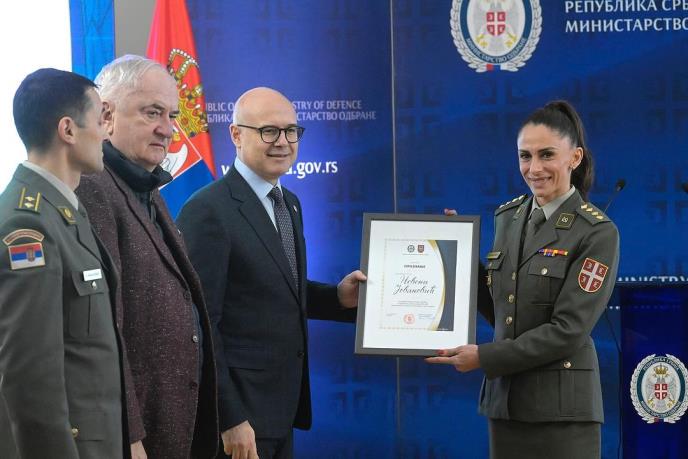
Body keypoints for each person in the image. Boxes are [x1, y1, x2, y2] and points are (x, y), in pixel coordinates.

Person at [176, 87, 366, 459]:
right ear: (236, 135)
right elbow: (199, 323)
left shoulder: (288, 202)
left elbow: (278, 288)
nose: (283, 142)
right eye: (269, 131)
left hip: (280, 410)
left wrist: (337, 298)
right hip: (238, 421)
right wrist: (229, 417)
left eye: (291, 131)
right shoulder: (208, 210)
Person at [427, 100, 620, 459]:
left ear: (575, 158)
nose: (534, 168)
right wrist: (457, 252)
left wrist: (485, 357)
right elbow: (501, 311)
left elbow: (568, 331)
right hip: (506, 404)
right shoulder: (508, 217)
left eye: (547, 155)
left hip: (562, 412)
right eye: (525, 156)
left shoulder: (597, 232)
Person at [75, 55, 218, 459]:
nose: (167, 129)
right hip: (140, 436)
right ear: (106, 115)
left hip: (174, 424)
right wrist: (128, 433)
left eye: (172, 116)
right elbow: (103, 329)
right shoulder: (93, 187)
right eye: (152, 112)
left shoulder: (146, 187)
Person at [0, 68, 124, 458]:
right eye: (100, 120)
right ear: (68, 130)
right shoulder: (28, 225)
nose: (106, 134)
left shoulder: (65, 211)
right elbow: (30, 378)